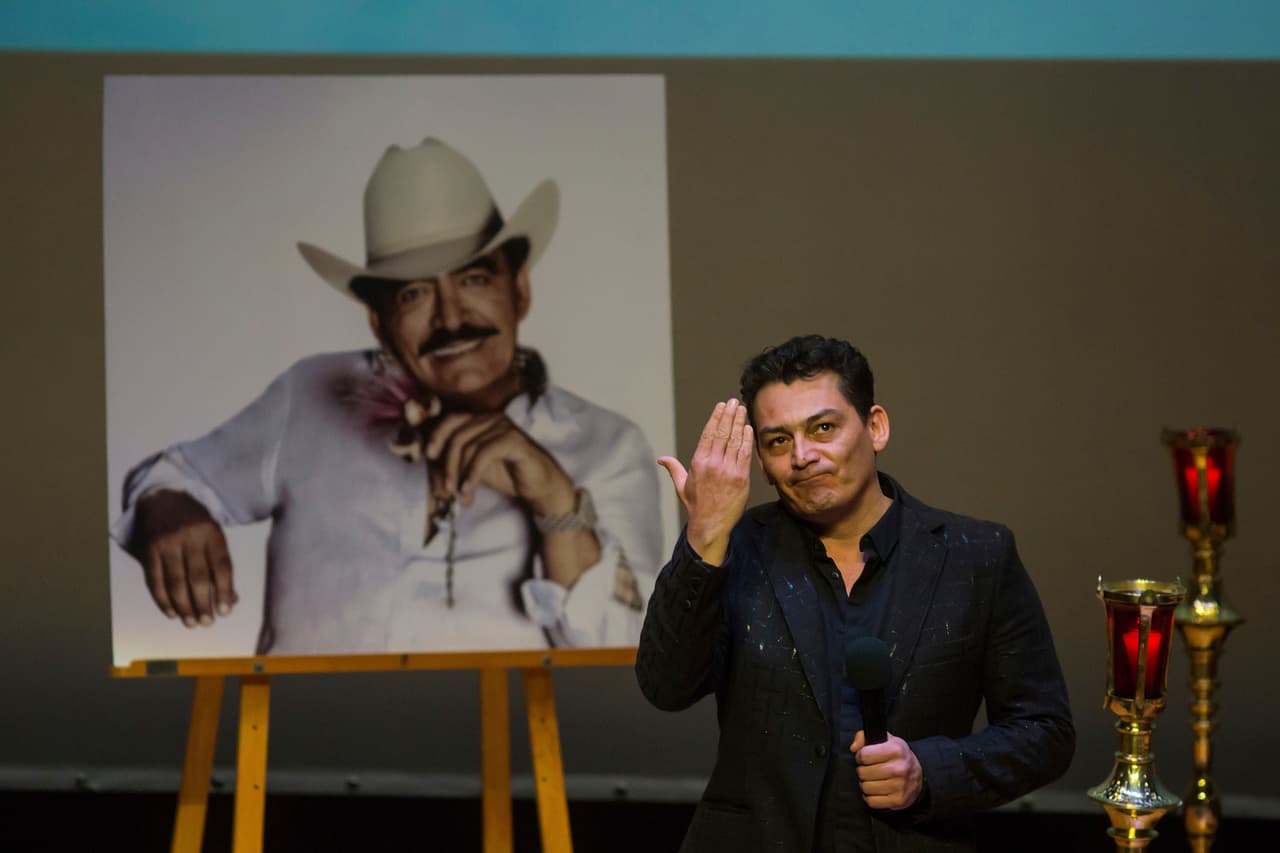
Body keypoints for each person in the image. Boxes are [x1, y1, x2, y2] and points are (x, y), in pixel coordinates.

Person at [112, 137, 661, 654]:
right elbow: (170, 479)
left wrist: (555, 500)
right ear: (378, 322)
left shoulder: (609, 447)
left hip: (502, 743)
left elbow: (629, 651)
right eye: (415, 293)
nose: (451, 318)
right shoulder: (311, 395)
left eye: (474, 279)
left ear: (519, 289)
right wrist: (169, 507)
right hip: (298, 744)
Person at [636, 335, 1074, 852]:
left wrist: (928, 771)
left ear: (875, 426)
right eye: (778, 441)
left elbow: (1044, 731)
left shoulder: (976, 555)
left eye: (823, 428)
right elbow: (666, 687)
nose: (803, 456)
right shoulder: (736, 551)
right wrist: (705, 537)